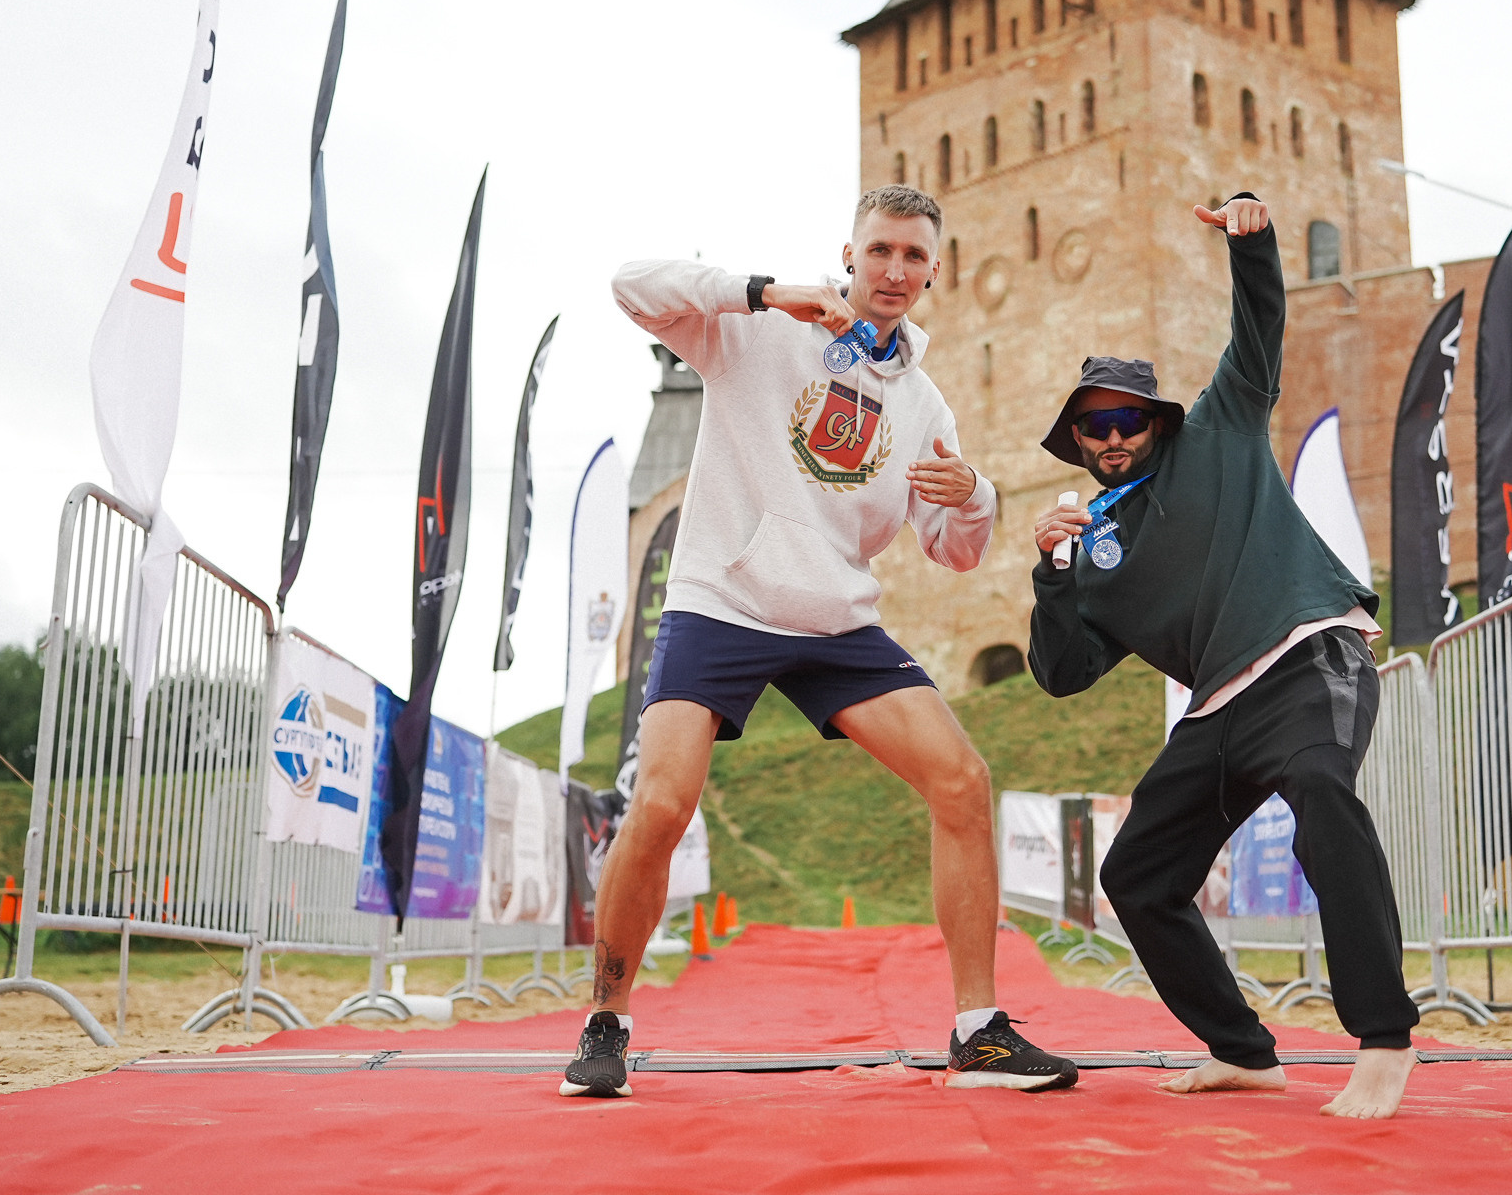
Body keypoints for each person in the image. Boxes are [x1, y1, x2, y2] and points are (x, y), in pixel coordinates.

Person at [564, 184, 1078, 1099]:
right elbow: (631, 285)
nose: (895, 270)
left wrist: (973, 494)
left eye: (914, 256)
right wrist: (760, 290)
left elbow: (954, 553)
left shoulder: (923, 404)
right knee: (663, 802)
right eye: (880, 250)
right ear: (848, 254)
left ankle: (978, 1034)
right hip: (722, 599)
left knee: (962, 780)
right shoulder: (760, 332)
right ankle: (607, 1021)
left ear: (932, 273)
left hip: (835, 620)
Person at [1027, 193, 1423, 1121]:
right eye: (1097, 427)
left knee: (1324, 793)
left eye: (1130, 417)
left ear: (1157, 419)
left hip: (1306, 652)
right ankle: (1244, 1052)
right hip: (1217, 711)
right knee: (1135, 876)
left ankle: (1384, 1036)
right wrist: (1051, 573)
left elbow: (1259, 329)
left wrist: (1253, 244)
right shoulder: (1093, 548)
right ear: (1077, 442)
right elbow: (1062, 673)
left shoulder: (1221, 429)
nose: (1116, 435)